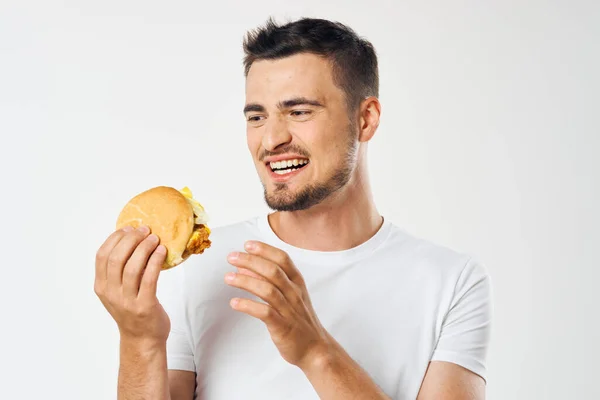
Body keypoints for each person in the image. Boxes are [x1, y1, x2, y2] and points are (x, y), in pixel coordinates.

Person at [94, 17, 492, 400]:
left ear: (366, 119)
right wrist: (139, 339)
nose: (271, 139)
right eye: (256, 116)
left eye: (299, 111)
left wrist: (315, 351)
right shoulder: (200, 264)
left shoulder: (451, 283)